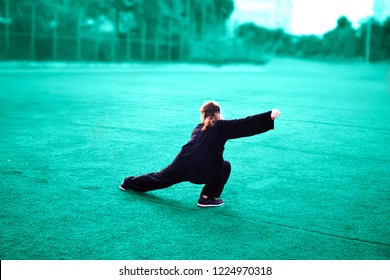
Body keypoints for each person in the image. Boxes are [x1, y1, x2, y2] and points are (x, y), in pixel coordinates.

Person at [120, 101, 281, 207]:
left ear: (203, 115)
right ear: (218, 113)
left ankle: (128, 183)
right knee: (225, 166)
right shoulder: (222, 126)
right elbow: (244, 124)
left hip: (180, 165)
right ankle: (206, 198)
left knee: (157, 178)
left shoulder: (198, 127)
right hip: (203, 171)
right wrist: (269, 116)